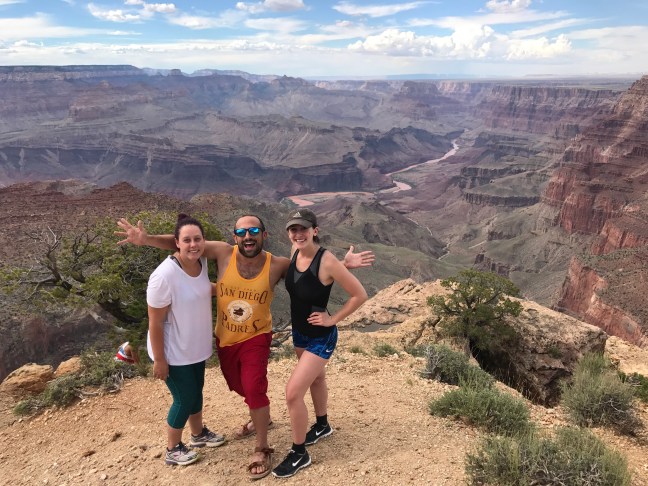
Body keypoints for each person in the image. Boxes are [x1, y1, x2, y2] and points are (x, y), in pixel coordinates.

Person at [116, 213, 373, 479]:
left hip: (257, 337)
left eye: (253, 231)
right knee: (241, 386)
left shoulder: (277, 264)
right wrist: (146, 239)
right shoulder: (222, 252)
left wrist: (342, 266)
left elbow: (310, 272)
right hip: (226, 338)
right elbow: (184, 243)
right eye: (241, 232)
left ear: (264, 235)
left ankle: (262, 448)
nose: (247, 236)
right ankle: (264, 416)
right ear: (234, 236)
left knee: (255, 388)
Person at [272, 208, 368, 478]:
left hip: (320, 336)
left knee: (293, 393)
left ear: (315, 231)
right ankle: (323, 425)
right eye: (293, 229)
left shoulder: (327, 260)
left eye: (303, 229)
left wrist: (332, 319)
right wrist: (344, 265)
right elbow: (311, 281)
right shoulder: (295, 251)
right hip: (300, 333)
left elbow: (360, 295)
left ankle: (299, 453)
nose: (298, 234)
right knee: (316, 379)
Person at [146, 214, 225, 467]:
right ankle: (172, 449)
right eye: (187, 240)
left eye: (197, 239)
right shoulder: (163, 276)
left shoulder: (200, 261)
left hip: (194, 346)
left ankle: (198, 435)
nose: (193, 244)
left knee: (196, 391)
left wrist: (232, 289)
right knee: (184, 398)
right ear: (176, 243)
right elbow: (155, 322)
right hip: (173, 351)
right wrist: (160, 359)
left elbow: (202, 288)